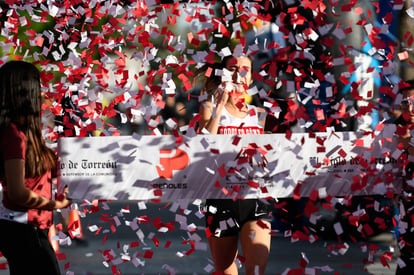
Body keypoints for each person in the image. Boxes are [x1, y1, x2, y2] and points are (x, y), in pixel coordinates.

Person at [197, 55, 272, 275]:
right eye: (233, 68)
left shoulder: (259, 115)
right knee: (225, 271)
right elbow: (202, 146)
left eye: (245, 69)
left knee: (256, 270)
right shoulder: (209, 107)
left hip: (253, 197)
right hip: (220, 200)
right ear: (224, 74)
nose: (239, 73)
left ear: (250, 77)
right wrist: (220, 106)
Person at [0, 60, 71, 275]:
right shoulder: (14, 135)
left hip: (29, 230)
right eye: (37, 87)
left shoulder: (22, 132)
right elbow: (18, 192)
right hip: (24, 230)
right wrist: (55, 205)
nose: (41, 94)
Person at [394, 80, 414, 275]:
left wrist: (407, 145)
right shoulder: (396, 128)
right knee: (406, 253)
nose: (409, 106)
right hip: (406, 204)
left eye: (412, 100)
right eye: (405, 102)